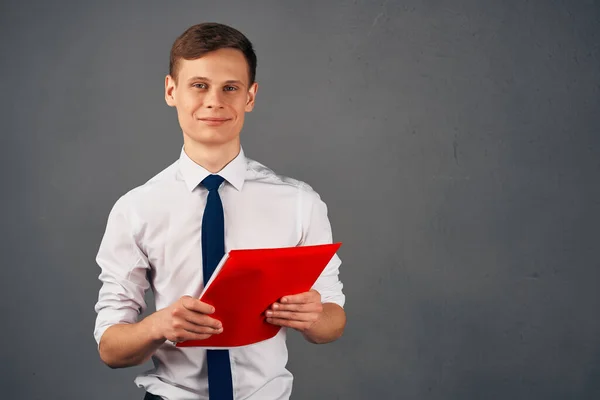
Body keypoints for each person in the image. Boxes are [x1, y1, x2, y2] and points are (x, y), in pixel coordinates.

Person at [93, 22, 346, 400]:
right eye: (199, 85)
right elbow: (111, 349)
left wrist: (314, 318)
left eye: (230, 87)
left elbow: (332, 319)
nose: (214, 101)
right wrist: (158, 325)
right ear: (170, 91)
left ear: (251, 96)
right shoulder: (136, 209)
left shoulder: (299, 202)